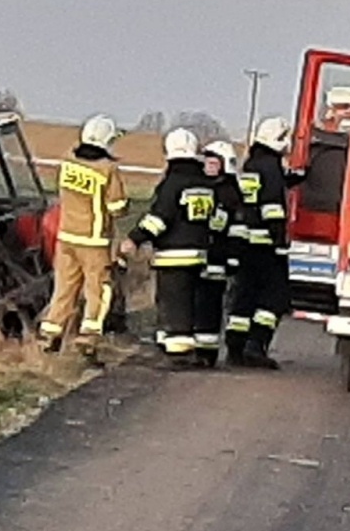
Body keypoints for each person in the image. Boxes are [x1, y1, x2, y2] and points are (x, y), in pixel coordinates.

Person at [120, 129, 218, 367]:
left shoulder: (172, 184)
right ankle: (180, 347)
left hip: (174, 254)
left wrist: (135, 238)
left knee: (174, 302)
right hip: (199, 253)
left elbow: (160, 218)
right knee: (189, 301)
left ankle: (178, 354)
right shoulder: (204, 184)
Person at [37, 114, 130, 362]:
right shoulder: (107, 169)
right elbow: (117, 207)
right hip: (94, 240)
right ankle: (89, 336)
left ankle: (49, 332)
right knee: (98, 289)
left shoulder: (68, 161)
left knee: (64, 287)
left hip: (66, 236)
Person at [226, 117, 307, 369]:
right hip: (266, 245)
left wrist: (295, 179)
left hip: (246, 243)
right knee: (275, 298)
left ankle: (235, 348)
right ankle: (256, 346)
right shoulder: (271, 166)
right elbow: (272, 204)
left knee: (245, 296)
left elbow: (262, 191)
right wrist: (278, 239)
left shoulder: (252, 164)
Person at [199, 140, 243, 366]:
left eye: (214, 162)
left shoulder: (230, 193)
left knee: (210, 305)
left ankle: (208, 353)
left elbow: (236, 229)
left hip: (217, 257)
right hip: (197, 256)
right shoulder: (198, 186)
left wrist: (232, 258)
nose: (209, 167)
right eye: (207, 162)